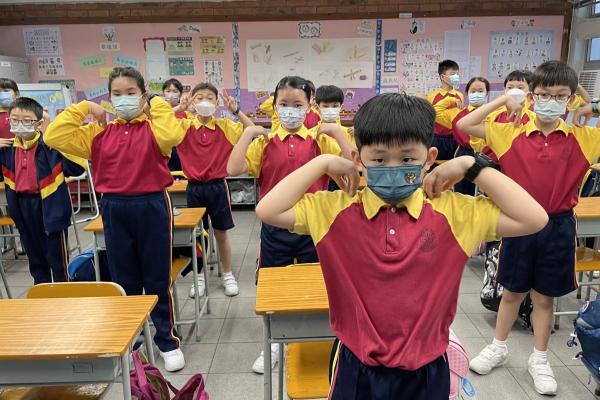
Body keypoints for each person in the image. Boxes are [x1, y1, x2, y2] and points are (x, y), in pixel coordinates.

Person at [254, 92, 548, 400]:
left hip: (428, 370)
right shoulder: (333, 208)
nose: (393, 168)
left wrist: (470, 165)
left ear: (429, 158)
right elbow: (268, 210)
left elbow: (534, 218)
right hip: (356, 367)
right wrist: (322, 163)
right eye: (379, 159)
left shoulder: (454, 211)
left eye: (407, 159)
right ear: (358, 159)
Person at [457, 60, 600, 396]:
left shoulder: (585, 138)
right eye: (544, 95)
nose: (552, 101)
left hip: (558, 226)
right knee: (511, 291)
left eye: (561, 96)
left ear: (569, 100)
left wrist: (591, 105)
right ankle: (498, 346)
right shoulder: (509, 133)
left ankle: (540, 358)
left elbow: (583, 109)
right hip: (519, 223)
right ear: (532, 97)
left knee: (545, 298)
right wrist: (503, 100)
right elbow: (465, 124)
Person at [45, 67, 195, 372]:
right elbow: (53, 134)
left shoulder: (155, 129)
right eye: (117, 94)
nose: (123, 98)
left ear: (142, 96)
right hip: (114, 208)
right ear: (109, 98)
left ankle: (166, 340)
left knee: (156, 277)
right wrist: (85, 107)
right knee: (124, 277)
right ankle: (133, 338)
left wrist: (156, 102)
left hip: (152, 205)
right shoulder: (98, 133)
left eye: (131, 93)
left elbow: (172, 134)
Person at [227, 75, 353, 374]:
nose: (290, 110)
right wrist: (248, 134)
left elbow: (353, 166)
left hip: (314, 227)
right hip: (276, 227)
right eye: (284, 104)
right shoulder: (265, 143)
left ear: (310, 105)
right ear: (274, 105)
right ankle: (273, 343)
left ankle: (318, 336)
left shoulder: (320, 140)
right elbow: (233, 168)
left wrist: (338, 132)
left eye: (298, 104)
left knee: (319, 282)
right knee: (273, 284)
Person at [176, 82, 254, 298]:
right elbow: (156, 124)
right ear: (192, 101)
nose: (204, 102)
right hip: (194, 188)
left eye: (210, 98)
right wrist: (179, 108)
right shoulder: (183, 126)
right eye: (199, 97)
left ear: (217, 103)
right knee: (197, 235)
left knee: (221, 232)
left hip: (217, 186)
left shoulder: (224, 126)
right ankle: (199, 276)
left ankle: (228, 274)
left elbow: (251, 130)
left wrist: (236, 111)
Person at [0, 97, 84, 284]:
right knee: (36, 264)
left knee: (59, 264)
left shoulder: (50, 146)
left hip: (50, 209)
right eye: (14, 120)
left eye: (26, 120)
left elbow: (78, 168)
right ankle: (41, 295)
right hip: (22, 209)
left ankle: (64, 294)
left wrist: (51, 135)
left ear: (39, 123)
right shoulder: (6, 149)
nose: (20, 124)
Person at [427, 59, 463, 160]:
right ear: (442, 77)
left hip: (455, 138)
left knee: (454, 165)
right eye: (453, 74)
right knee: (434, 163)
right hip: (437, 138)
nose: (456, 76)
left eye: (457, 74)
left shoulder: (460, 95)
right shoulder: (431, 96)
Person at [162, 78, 185, 172]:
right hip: (163, 153)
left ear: (180, 94)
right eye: (168, 91)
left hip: (181, 154)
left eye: (175, 91)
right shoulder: (157, 111)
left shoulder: (186, 113)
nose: (171, 94)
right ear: (163, 93)